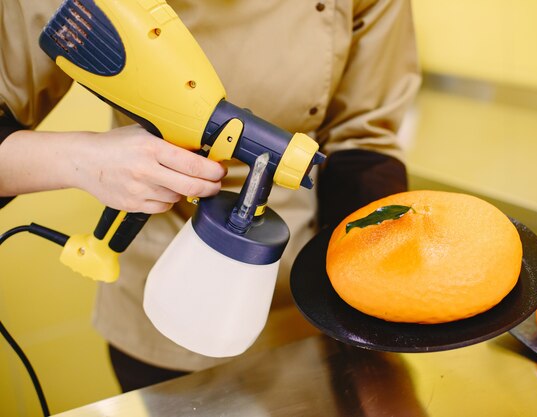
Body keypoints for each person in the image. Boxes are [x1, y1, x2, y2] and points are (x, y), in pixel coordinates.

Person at [0, 0, 421, 392]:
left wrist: (370, 292)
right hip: (170, 305)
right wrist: (82, 159)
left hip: (305, 309)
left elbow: (364, 139)